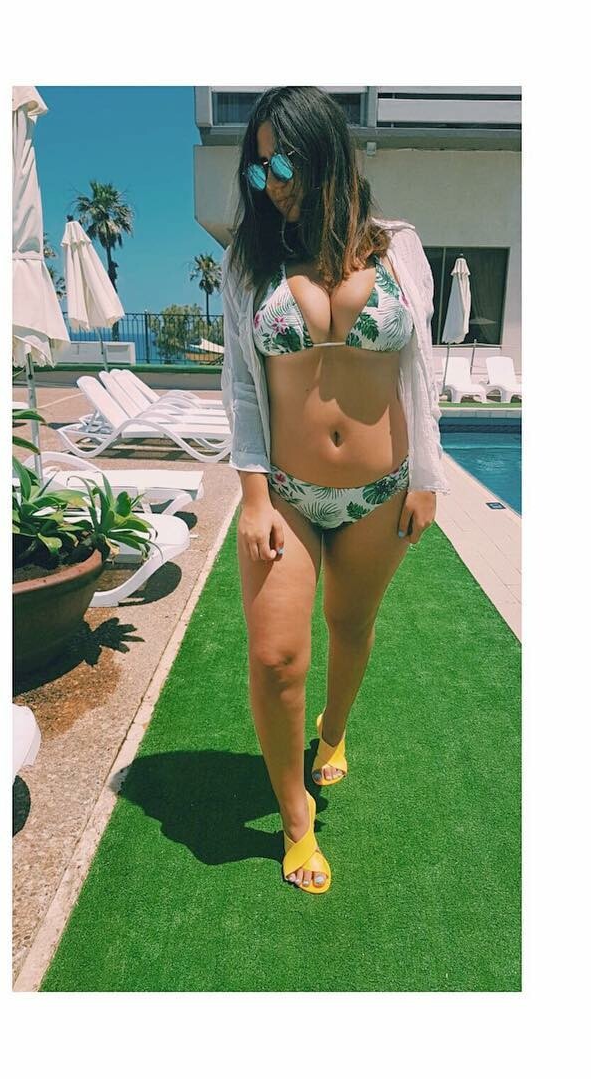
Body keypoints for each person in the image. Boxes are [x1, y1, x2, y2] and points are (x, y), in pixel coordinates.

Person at [219, 86, 451, 895]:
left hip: (381, 490)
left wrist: (427, 476)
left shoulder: (399, 250)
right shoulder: (248, 263)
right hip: (284, 492)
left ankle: (334, 730)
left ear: (323, 154)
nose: (270, 184)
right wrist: (253, 496)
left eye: (280, 164)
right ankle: (296, 818)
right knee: (276, 655)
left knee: (350, 625)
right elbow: (242, 388)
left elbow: (422, 372)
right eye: (257, 171)